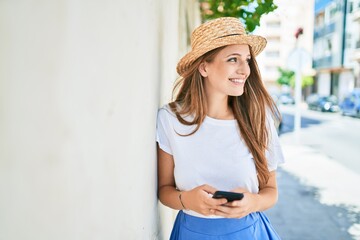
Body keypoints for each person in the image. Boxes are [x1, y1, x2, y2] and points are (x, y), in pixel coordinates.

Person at [156, 17, 285, 239]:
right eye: (233, 59)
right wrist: (187, 200)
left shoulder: (257, 118)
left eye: (247, 60)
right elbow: (164, 190)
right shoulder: (170, 119)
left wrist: (252, 202)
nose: (245, 70)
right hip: (192, 233)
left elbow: (271, 191)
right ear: (204, 67)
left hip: (248, 232)